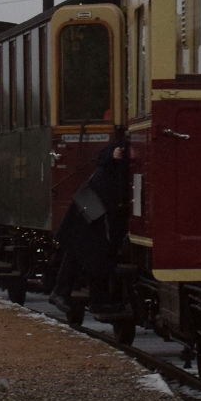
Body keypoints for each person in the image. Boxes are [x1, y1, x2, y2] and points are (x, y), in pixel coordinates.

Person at [49, 135, 128, 316]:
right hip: (94, 203)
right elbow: (101, 156)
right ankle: (77, 297)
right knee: (88, 251)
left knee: (91, 253)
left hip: (98, 204)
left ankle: (82, 298)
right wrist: (112, 154)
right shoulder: (122, 143)